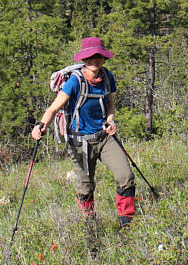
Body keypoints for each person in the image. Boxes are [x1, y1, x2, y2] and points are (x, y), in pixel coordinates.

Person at [31, 37, 136, 227]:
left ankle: (127, 223)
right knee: (85, 186)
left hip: (104, 138)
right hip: (80, 142)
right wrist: (41, 125)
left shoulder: (107, 78)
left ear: (103, 58)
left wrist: (111, 121)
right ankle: (89, 224)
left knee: (125, 176)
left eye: (98, 56)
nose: (94, 59)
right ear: (84, 60)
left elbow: (110, 106)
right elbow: (53, 108)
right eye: (90, 56)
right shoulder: (75, 82)